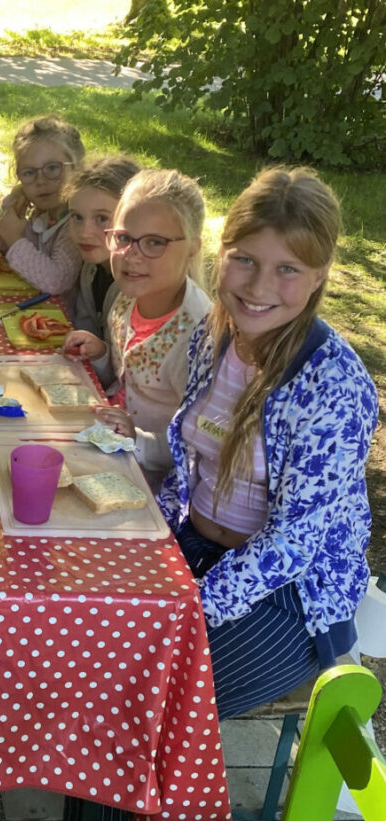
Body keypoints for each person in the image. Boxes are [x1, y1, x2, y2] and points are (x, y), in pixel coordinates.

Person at [160, 165, 379, 718]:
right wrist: (148, 536)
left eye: (287, 269)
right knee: (98, 647)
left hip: (286, 596)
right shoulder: (213, 336)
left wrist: (193, 607)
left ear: (319, 275)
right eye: (245, 260)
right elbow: (192, 463)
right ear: (222, 252)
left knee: (156, 699)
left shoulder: (334, 386)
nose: (258, 288)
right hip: (195, 546)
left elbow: (292, 544)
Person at [65, 168, 211, 484]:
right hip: (105, 441)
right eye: (123, 238)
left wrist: (138, 439)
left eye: (155, 242)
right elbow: (125, 377)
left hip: (151, 482)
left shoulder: (198, 338)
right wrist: (101, 353)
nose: (131, 256)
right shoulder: (127, 298)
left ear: (192, 247)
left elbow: (198, 445)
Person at [0, 115, 85, 303]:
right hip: (34, 308)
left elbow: (56, 281)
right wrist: (14, 206)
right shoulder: (42, 214)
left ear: (77, 168)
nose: (41, 181)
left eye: (52, 168)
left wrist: (15, 239)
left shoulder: (75, 224)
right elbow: (7, 253)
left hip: (65, 319)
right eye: (29, 173)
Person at [61, 156, 141, 338]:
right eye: (77, 217)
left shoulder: (138, 285)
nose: (85, 233)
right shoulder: (90, 270)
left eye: (102, 218)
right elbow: (86, 326)